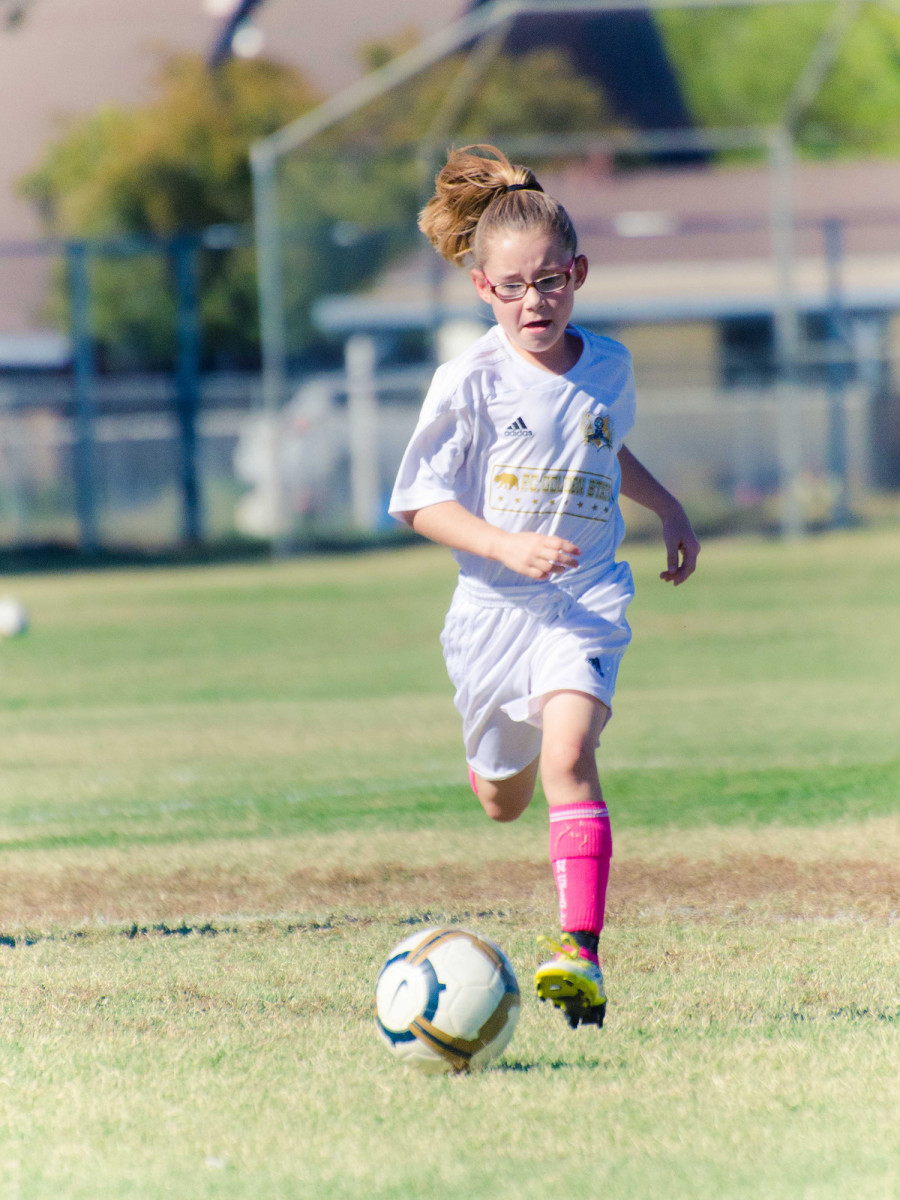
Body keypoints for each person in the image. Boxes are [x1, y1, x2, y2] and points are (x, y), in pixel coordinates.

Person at [388, 144, 700, 1030]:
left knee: (570, 757)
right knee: (502, 798)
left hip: (586, 601)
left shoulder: (609, 366)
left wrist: (668, 504)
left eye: (553, 282)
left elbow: (603, 446)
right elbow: (416, 500)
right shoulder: (471, 381)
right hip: (492, 613)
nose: (537, 301)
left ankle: (582, 955)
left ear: (580, 275)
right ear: (484, 289)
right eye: (516, 286)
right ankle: (503, 765)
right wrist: (501, 544)